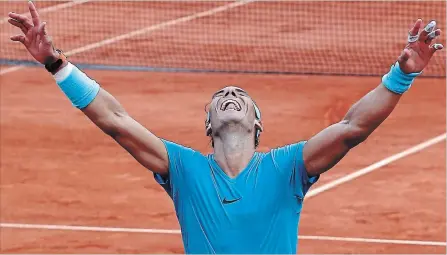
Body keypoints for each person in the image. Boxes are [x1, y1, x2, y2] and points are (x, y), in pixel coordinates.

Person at [7, 1, 443, 254]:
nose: (229, 94)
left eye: (240, 95)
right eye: (219, 97)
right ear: (209, 124)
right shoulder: (183, 170)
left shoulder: (288, 167)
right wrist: (54, 62)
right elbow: (115, 121)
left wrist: (401, 74)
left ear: (257, 123)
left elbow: (352, 127)